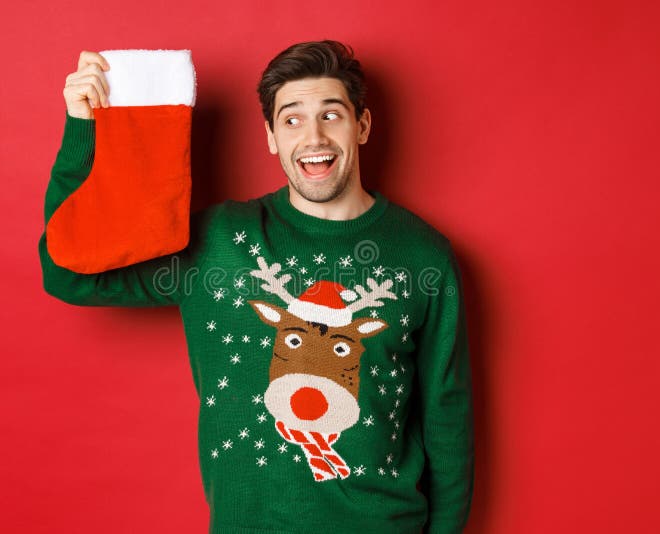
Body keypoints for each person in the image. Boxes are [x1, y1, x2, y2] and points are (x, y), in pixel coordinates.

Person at [40, 40, 474, 533]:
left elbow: (447, 415)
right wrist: (83, 132)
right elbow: (69, 272)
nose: (314, 136)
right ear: (270, 136)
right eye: (292, 119)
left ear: (363, 125)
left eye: (331, 115)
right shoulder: (218, 244)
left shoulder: (422, 258)